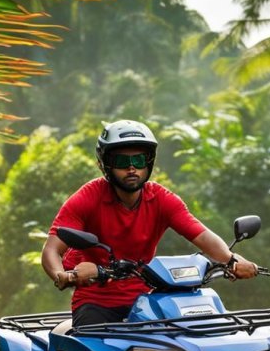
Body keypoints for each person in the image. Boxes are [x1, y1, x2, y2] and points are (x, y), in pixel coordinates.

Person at [42, 120, 258, 326]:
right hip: (97, 301)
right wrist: (63, 276)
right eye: (121, 162)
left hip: (149, 300)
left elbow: (202, 236)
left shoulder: (161, 198)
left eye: (138, 160)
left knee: (195, 339)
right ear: (105, 165)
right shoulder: (88, 197)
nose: (131, 169)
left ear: (149, 163)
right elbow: (52, 250)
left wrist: (232, 261)